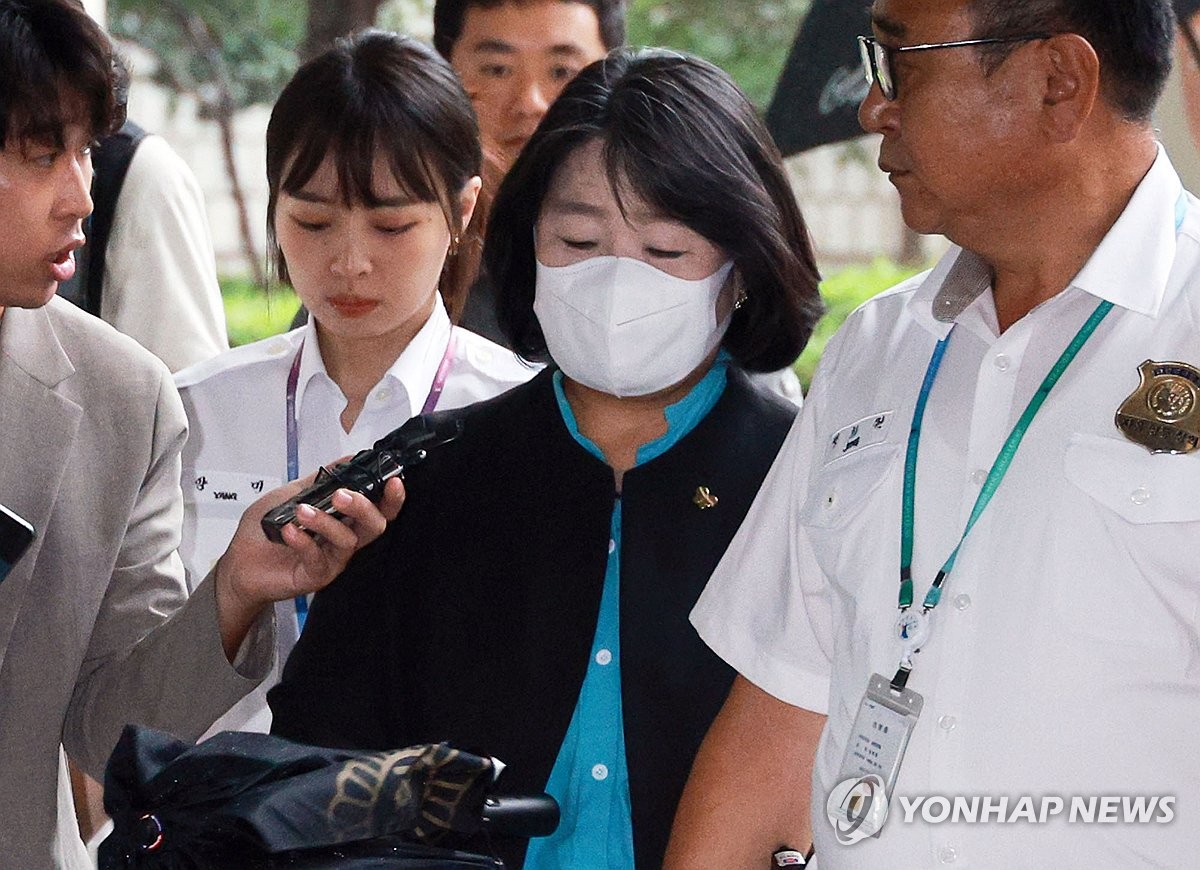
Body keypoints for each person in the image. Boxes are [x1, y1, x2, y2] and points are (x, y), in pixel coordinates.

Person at [668, 0, 1200, 867]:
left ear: (1058, 82)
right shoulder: (876, 351)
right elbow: (776, 718)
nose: (873, 106)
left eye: (901, 62)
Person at [270, 47, 823, 869]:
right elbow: (316, 764)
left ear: (742, 267)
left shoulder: (806, 481)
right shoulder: (427, 478)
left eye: (666, 251)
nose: (614, 280)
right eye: (578, 238)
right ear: (527, 245)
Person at [0, 2, 402, 865]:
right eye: (42, 156)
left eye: (84, 152)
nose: (81, 195)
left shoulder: (123, 399)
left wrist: (235, 592)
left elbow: (110, 733)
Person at [174, 30, 537, 735]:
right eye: (311, 221)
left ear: (463, 212)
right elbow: (131, 675)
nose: (350, 263)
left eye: (392, 225)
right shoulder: (195, 411)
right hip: (214, 828)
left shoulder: (518, 414)